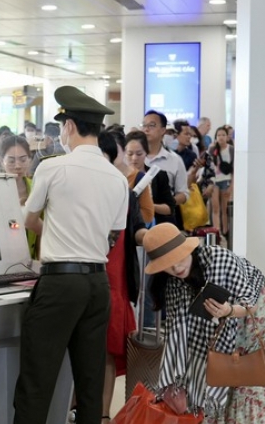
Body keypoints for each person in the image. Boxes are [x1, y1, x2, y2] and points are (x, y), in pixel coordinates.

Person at [13, 86, 129, 424]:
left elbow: (29, 219)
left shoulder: (52, 168)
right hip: (97, 284)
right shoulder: (117, 178)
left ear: (69, 126)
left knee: (37, 379)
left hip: (60, 284)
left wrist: (56, 233)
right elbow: (112, 232)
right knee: (90, 383)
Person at [144, 223, 265, 423]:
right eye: (167, 264)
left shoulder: (217, 259)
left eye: (179, 258)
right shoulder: (172, 283)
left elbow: (250, 305)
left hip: (264, 322)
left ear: (188, 249)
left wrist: (228, 311)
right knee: (224, 381)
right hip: (228, 330)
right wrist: (179, 382)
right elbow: (179, 336)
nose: (176, 267)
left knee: (253, 389)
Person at [96, 128, 149, 423]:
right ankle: (76, 406)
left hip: (115, 279)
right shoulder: (76, 189)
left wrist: (156, 240)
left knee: (107, 349)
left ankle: (102, 414)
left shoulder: (125, 192)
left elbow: (138, 228)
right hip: (85, 276)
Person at [0, 135, 39, 259]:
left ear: (30, 160)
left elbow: (40, 235)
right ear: (1, 161)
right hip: (3, 257)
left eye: (23, 160)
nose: (17, 166)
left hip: (31, 260)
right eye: (11, 161)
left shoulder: (37, 188)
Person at [209, 126, 234, 238]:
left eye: (223, 135)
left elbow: (234, 169)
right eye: (218, 135)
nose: (221, 137)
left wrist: (231, 186)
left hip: (226, 180)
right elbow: (208, 166)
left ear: (227, 137)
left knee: (224, 208)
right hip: (214, 181)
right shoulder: (212, 149)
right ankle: (217, 231)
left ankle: (225, 232)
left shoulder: (231, 149)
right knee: (215, 207)